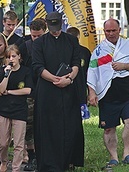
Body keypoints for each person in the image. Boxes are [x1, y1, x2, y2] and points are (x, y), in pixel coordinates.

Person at [87, 18, 129, 169]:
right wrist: (92, 92)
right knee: (108, 128)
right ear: (104, 31)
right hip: (107, 94)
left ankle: (127, 154)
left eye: (114, 30)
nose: (111, 33)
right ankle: (113, 157)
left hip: (128, 92)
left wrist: (124, 65)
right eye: (108, 31)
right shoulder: (98, 51)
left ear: (120, 30)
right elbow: (92, 72)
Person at [32, 11, 84, 171]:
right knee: (47, 127)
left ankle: (68, 160)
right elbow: (37, 66)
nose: (55, 30)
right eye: (52, 27)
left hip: (68, 89)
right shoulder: (39, 43)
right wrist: (55, 79)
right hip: (48, 91)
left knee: (69, 125)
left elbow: (76, 62)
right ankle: (48, 163)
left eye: (57, 26)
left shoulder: (71, 40)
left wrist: (69, 79)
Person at [0, 45, 32, 172]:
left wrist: (10, 92)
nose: (11, 59)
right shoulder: (2, 71)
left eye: (13, 56)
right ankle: (4, 161)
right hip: (3, 110)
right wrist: (7, 74)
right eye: (8, 57)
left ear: (19, 57)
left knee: (18, 143)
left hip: (19, 110)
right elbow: (1, 89)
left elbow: (27, 90)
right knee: (3, 142)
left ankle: (16, 168)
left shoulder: (26, 71)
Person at [18, 18, 46, 171]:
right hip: (29, 92)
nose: (36, 39)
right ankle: (32, 158)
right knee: (29, 128)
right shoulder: (24, 47)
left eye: (39, 36)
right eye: (34, 36)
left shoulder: (50, 45)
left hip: (47, 91)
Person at [66, 27, 92, 118]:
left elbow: (90, 73)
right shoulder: (62, 51)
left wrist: (90, 92)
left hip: (80, 89)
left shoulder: (85, 52)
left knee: (79, 117)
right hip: (65, 88)